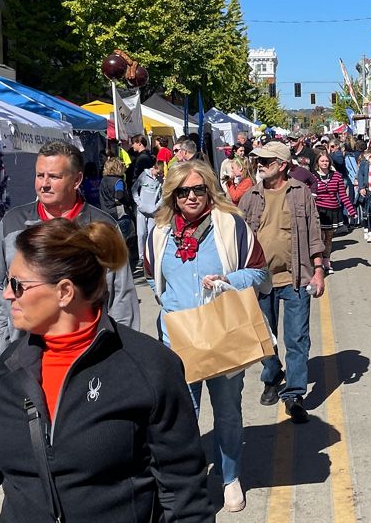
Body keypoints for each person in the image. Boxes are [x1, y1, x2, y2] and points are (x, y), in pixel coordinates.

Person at [0, 218, 214, 522]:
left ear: (64, 292)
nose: (7, 294)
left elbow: (184, 494)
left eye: (18, 284)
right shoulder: (9, 368)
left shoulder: (149, 368)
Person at [143, 161, 269, 513]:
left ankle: (230, 477)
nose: (192, 197)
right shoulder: (159, 232)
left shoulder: (231, 226)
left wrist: (228, 282)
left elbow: (259, 272)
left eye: (198, 189)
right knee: (182, 415)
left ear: (209, 190)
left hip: (223, 333)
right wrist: (169, 304)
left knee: (227, 411)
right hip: (179, 338)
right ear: (173, 195)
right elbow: (153, 277)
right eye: (183, 191)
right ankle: (189, 482)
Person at [0, 141, 139, 353]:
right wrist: (5, 333)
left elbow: (120, 294)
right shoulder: (13, 223)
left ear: (77, 180)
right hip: (25, 349)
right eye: (40, 175)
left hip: (86, 350)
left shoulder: (101, 227)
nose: (44, 184)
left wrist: (120, 350)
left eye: (54, 177)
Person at [239, 141, 326, 423]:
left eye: (266, 161)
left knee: (297, 338)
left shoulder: (301, 194)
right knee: (265, 338)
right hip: (260, 280)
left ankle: (294, 394)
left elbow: (314, 233)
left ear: (282, 165)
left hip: (296, 279)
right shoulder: (250, 195)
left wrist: (318, 270)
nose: (260, 165)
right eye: (259, 161)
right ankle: (272, 377)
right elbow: (238, 239)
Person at [313, 152, 356, 274]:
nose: (324, 163)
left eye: (326, 161)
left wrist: (351, 211)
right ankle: (318, 263)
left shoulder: (337, 176)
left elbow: (343, 195)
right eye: (322, 161)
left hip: (333, 211)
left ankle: (327, 262)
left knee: (328, 239)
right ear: (317, 163)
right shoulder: (313, 177)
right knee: (319, 239)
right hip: (319, 212)